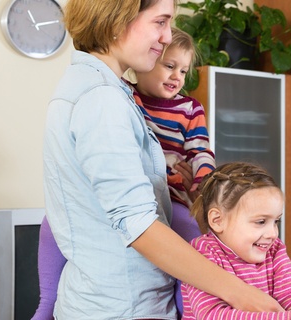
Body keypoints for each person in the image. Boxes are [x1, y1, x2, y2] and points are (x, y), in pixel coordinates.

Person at [42, 0, 283, 319]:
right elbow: (138, 225)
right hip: (122, 309)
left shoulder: (101, 91)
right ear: (118, 18)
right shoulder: (101, 100)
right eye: (160, 22)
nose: (168, 36)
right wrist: (238, 291)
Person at [33, 26, 215, 319]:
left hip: (173, 195)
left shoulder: (190, 108)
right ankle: (46, 304)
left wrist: (203, 180)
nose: (177, 77)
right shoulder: (121, 96)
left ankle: (189, 308)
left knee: (191, 235)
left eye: (183, 71)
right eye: (169, 66)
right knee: (50, 224)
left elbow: (201, 150)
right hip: (127, 199)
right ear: (146, 62)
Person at [181, 162, 291, 320]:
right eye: (261, 222)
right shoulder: (202, 253)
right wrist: (287, 318)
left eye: (276, 221)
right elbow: (213, 315)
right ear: (218, 220)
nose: (273, 234)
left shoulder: (275, 250)